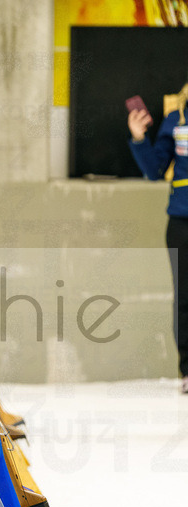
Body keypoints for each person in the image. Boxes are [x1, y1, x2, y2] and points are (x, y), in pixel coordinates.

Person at [129, 91, 188, 392]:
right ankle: (187, 371)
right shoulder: (177, 119)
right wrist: (139, 139)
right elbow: (154, 170)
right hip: (182, 222)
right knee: (186, 300)